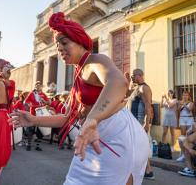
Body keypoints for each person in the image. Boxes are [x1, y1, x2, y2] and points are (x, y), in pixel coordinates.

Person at [9, 12, 149, 185]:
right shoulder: (78, 73)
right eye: (58, 47)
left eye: (64, 43)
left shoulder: (94, 61)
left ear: (79, 40)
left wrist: (92, 119)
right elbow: (67, 117)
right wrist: (33, 119)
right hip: (92, 134)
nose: (60, 49)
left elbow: (118, 81)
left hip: (118, 135)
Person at [126, 68, 155, 180]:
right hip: (133, 122)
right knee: (137, 147)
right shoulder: (136, 88)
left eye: (134, 75)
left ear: (140, 75)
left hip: (139, 122)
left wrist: (146, 123)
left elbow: (148, 106)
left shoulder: (144, 88)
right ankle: (147, 170)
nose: (132, 77)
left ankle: (147, 170)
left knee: (140, 147)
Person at [24, 81, 49, 151]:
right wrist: (28, 104)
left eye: (40, 85)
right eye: (37, 85)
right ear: (35, 86)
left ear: (41, 86)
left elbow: (49, 102)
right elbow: (25, 102)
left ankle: (38, 145)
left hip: (41, 114)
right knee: (30, 130)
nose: (38, 86)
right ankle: (28, 145)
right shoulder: (32, 94)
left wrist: (44, 101)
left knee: (40, 131)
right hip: (33, 114)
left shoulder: (44, 94)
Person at [176, 91, 194, 162]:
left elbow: (189, 109)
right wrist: (180, 105)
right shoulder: (180, 102)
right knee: (182, 136)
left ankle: (188, 153)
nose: (185, 96)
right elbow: (178, 110)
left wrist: (184, 104)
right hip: (182, 118)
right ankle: (183, 154)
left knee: (188, 135)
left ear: (188, 96)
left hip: (189, 118)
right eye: (184, 95)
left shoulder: (191, 103)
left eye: (186, 95)